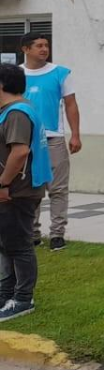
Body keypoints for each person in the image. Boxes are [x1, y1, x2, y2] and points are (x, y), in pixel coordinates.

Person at [19, 33, 80, 251]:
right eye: (39, 46)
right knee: (29, 189)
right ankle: (32, 233)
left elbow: (71, 105)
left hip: (53, 139)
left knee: (58, 189)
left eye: (46, 45)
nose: (44, 49)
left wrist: (75, 134)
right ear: (26, 49)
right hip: (23, 140)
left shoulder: (60, 73)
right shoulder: (16, 74)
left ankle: (57, 233)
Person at [0, 64, 50, 322]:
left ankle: (22, 299)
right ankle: (5, 293)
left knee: (18, 245)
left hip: (16, 191)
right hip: (14, 189)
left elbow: (19, 152)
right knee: (6, 244)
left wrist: (3, 184)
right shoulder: (15, 109)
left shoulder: (17, 113)